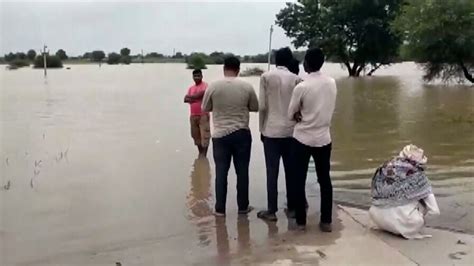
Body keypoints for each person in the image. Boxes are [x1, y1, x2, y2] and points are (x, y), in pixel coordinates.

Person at [202, 56, 259, 217]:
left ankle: (220, 209)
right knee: (242, 172)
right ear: (238, 69)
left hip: (220, 136)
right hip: (241, 133)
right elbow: (255, 107)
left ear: (224, 68)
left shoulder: (213, 86)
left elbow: (205, 107)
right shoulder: (246, 86)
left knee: (221, 172)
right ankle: (242, 207)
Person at [288, 48, 337, 232]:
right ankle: (326, 221)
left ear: (306, 64)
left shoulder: (301, 87)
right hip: (324, 138)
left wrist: (300, 115)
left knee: (298, 180)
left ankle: (301, 222)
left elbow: (290, 114)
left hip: (302, 138)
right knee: (325, 179)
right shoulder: (332, 83)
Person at [257, 47, 302, 222]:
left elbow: (262, 107)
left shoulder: (266, 77)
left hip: (271, 131)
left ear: (276, 60)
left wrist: (261, 129)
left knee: (272, 172)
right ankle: (292, 208)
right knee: (291, 171)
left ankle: (272, 210)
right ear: (289, 60)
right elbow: (299, 108)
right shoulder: (297, 79)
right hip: (291, 132)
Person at [369, 145, 440, 239]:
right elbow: (435, 211)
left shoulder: (384, 168)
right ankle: (410, 230)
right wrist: (423, 219)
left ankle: (392, 223)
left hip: (375, 217)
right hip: (404, 224)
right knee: (422, 201)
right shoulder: (419, 177)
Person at [184, 69, 210, 156]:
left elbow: (203, 93)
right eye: (195, 76)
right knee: (196, 136)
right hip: (193, 115)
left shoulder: (205, 85)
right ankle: (201, 154)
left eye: (198, 76)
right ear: (193, 77)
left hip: (203, 115)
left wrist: (191, 98)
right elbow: (185, 99)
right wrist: (196, 98)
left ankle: (204, 155)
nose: (197, 77)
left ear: (202, 76)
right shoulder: (191, 88)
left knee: (205, 136)